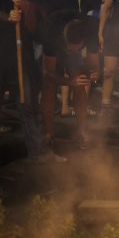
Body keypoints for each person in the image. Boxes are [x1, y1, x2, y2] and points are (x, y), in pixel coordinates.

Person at [0, 0, 64, 173]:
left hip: (20, 55)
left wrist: (25, 5)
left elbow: (33, 28)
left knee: (28, 105)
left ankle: (40, 152)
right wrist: (6, 16)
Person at [40, 13, 100, 149]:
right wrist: (70, 82)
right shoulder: (52, 33)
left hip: (75, 53)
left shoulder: (90, 32)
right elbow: (49, 72)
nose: (71, 49)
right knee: (49, 84)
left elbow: (95, 67)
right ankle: (49, 134)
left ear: (83, 42)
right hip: (55, 52)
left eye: (76, 47)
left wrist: (93, 75)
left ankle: (82, 132)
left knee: (80, 82)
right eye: (70, 46)